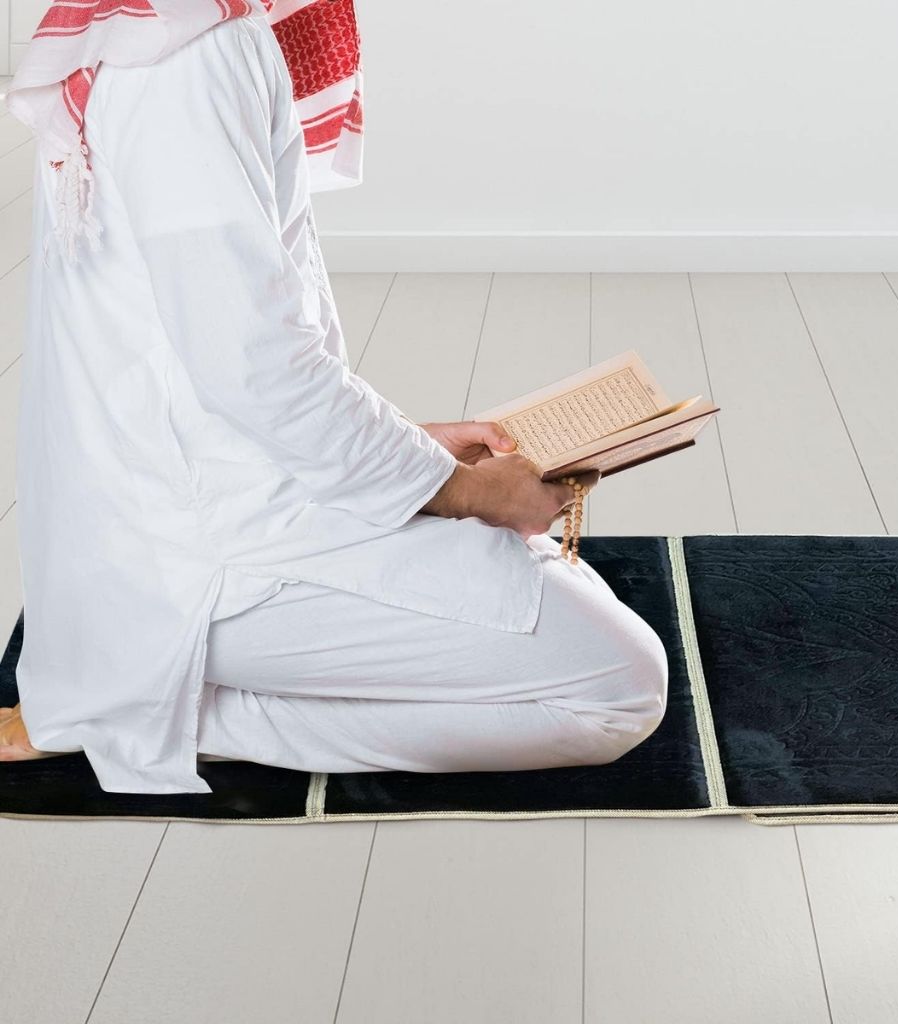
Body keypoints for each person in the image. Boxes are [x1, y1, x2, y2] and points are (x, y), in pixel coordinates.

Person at [0, 1, 668, 789]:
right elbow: (255, 369)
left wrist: (414, 451)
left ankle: (122, 691)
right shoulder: (192, 63)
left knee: (545, 576)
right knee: (622, 688)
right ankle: (136, 711)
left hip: (204, 504)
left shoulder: (185, 39)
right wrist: (462, 491)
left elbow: (198, 353)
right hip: (202, 556)